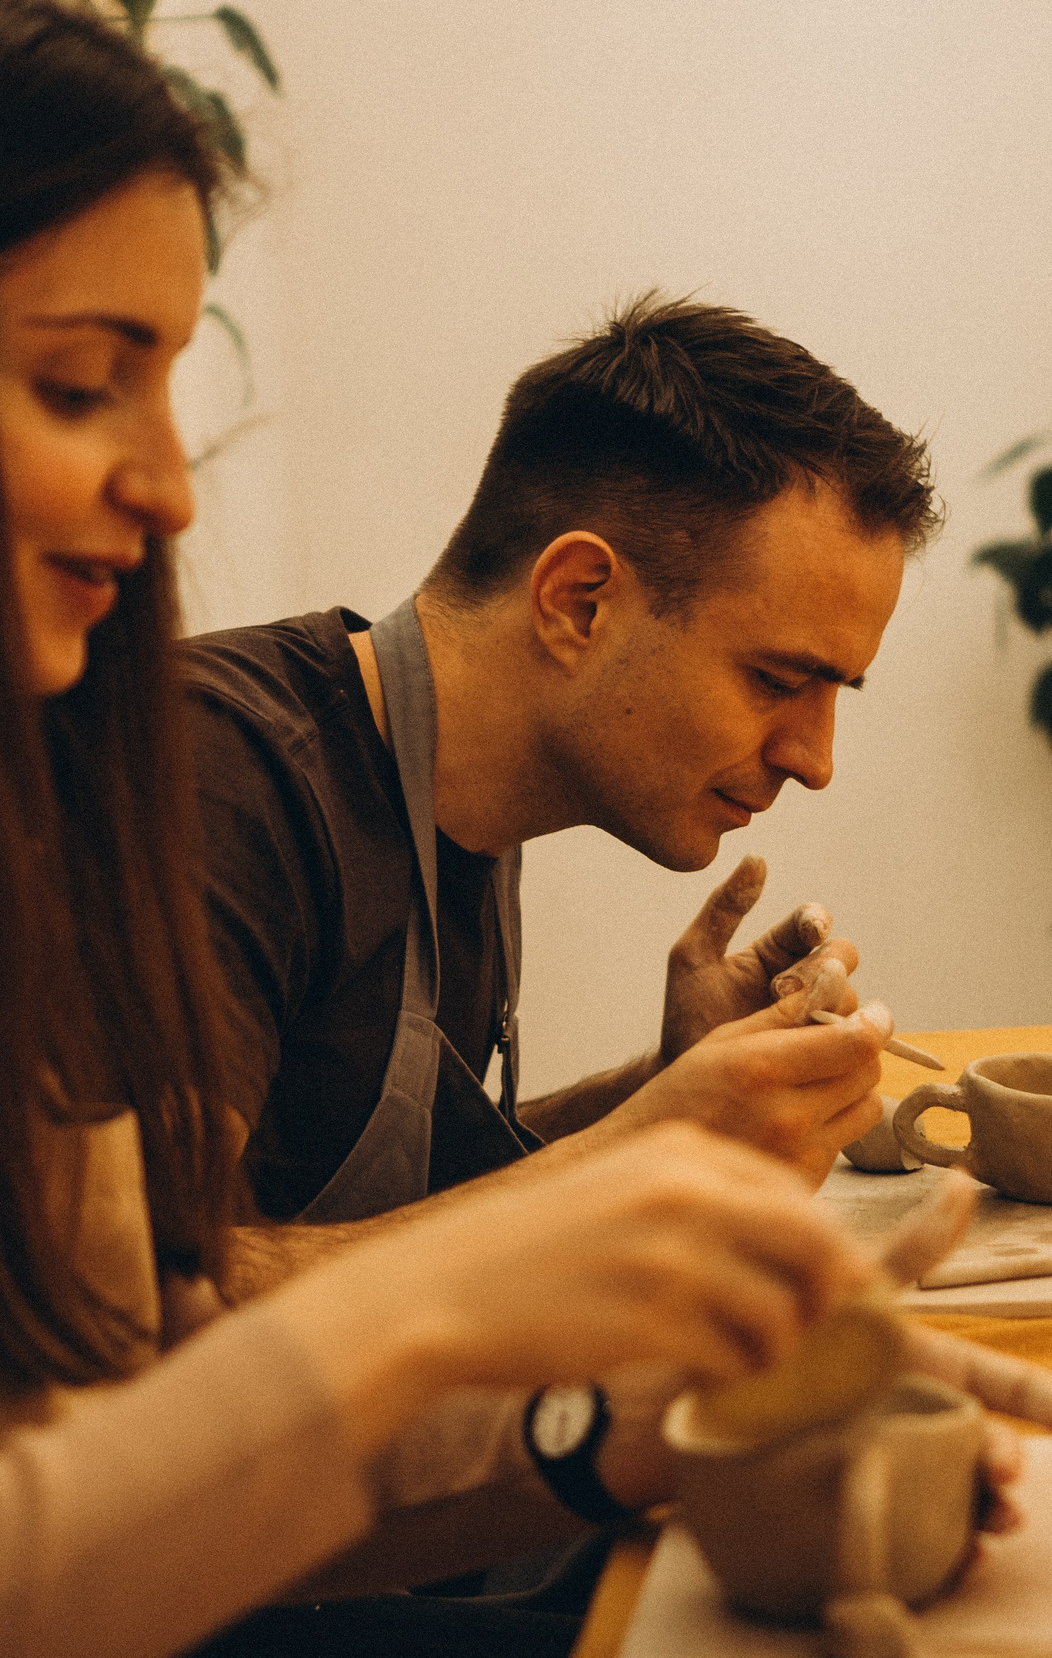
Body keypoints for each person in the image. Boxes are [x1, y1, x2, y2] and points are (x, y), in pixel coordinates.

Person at [0, 5, 1052, 1658]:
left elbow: (151, 1435)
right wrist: (459, 1284)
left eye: (168, 382)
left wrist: (650, 1418)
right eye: (79, 385)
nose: (170, 484)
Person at [183, 296, 941, 1267]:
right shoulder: (214, 778)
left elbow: (399, 1200)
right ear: (578, 603)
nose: (816, 760)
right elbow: (146, 1312)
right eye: (777, 681)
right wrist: (651, 1149)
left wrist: (672, 1084)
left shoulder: (470, 808)